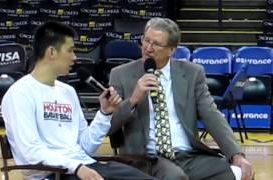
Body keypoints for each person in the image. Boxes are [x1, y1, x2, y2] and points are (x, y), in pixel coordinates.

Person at [1, 21, 157, 180]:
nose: (75, 57)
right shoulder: (20, 93)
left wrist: (104, 113)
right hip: (53, 174)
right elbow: (30, 152)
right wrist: (75, 167)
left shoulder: (67, 92)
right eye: (70, 50)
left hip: (85, 166)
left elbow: (85, 147)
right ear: (52, 52)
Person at [109, 17, 255, 180]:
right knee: (174, 177)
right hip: (147, 159)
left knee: (243, 173)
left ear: (172, 50)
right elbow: (110, 124)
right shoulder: (120, 74)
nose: (147, 48)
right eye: (146, 40)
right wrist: (133, 99)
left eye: (155, 44)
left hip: (189, 157)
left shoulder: (192, 73)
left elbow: (212, 116)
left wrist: (236, 155)